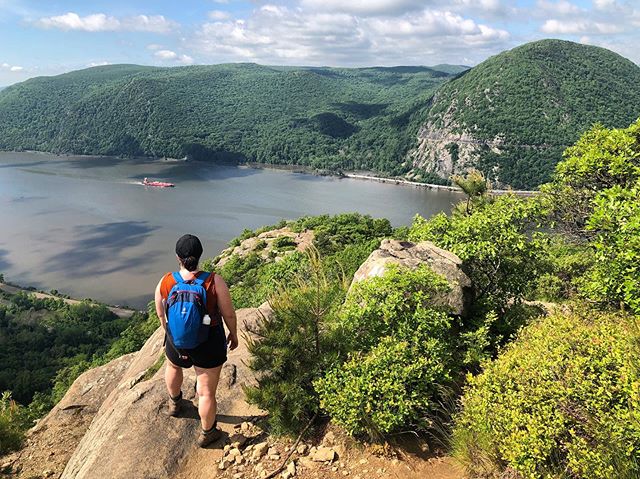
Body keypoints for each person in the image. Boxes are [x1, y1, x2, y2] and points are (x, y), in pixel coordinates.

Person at [154, 234, 239, 447]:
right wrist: (233, 333)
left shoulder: (166, 280)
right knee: (206, 391)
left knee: (173, 366)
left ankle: (175, 404)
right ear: (200, 255)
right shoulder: (213, 281)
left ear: (177, 257)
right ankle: (207, 432)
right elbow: (228, 314)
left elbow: (160, 313)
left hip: (177, 341)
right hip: (208, 342)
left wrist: (171, 333)